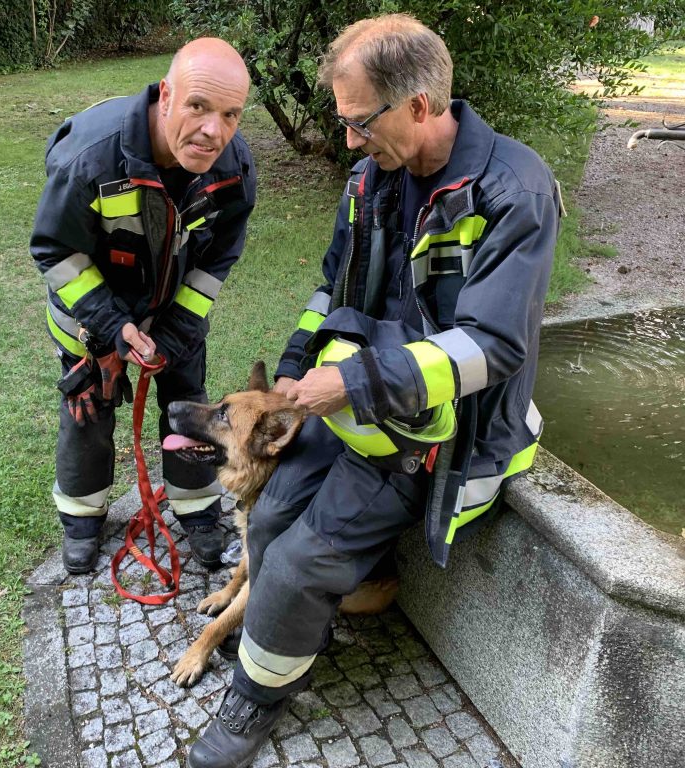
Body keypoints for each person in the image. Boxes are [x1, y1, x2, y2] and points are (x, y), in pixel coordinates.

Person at [187, 14, 560, 768]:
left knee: (298, 560)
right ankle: (286, 629)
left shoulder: (514, 192)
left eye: (360, 123)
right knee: (273, 511)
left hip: (437, 437)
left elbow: (491, 347)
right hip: (358, 408)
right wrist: (299, 366)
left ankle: (254, 701)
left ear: (418, 106)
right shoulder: (371, 182)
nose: (350, 141)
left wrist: (352, 378)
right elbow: (331, 288)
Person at [30, 38, 256, 575]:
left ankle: (199, 511)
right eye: (198, 106)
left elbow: (221, 253)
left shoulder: (233, 165)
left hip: (174, 320)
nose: (212, 131)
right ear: (166, 94)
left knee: (191, 409)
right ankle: (83, 519)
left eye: (230, 115)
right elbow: (56, 251)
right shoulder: (90, 154)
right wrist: (111, 328)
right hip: (91, 321)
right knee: (88, 412)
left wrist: (177, 328)